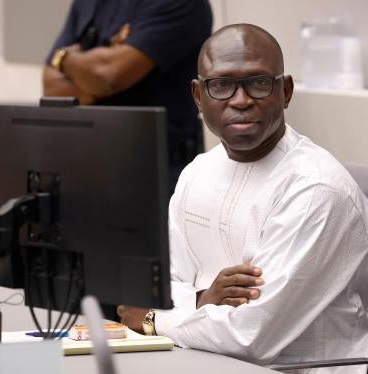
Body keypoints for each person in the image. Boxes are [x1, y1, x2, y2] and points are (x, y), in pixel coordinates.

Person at [117, 23, 368, 372]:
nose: (241, 100)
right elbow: (166, 286)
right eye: (221, 85)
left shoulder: (315, 190)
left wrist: (150, 319)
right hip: (201, 361)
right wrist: (205, 299)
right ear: (197, 96)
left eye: (258, 83)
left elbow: (251, 337)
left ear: (286, 91)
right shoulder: (197, 173)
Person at [43, 0, 213, 194]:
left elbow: (109, 75)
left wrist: (65, 58)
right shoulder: (87, 3)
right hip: (87, 164)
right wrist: (100, 79)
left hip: (158, 170)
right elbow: (51, 86)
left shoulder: (181, 4)